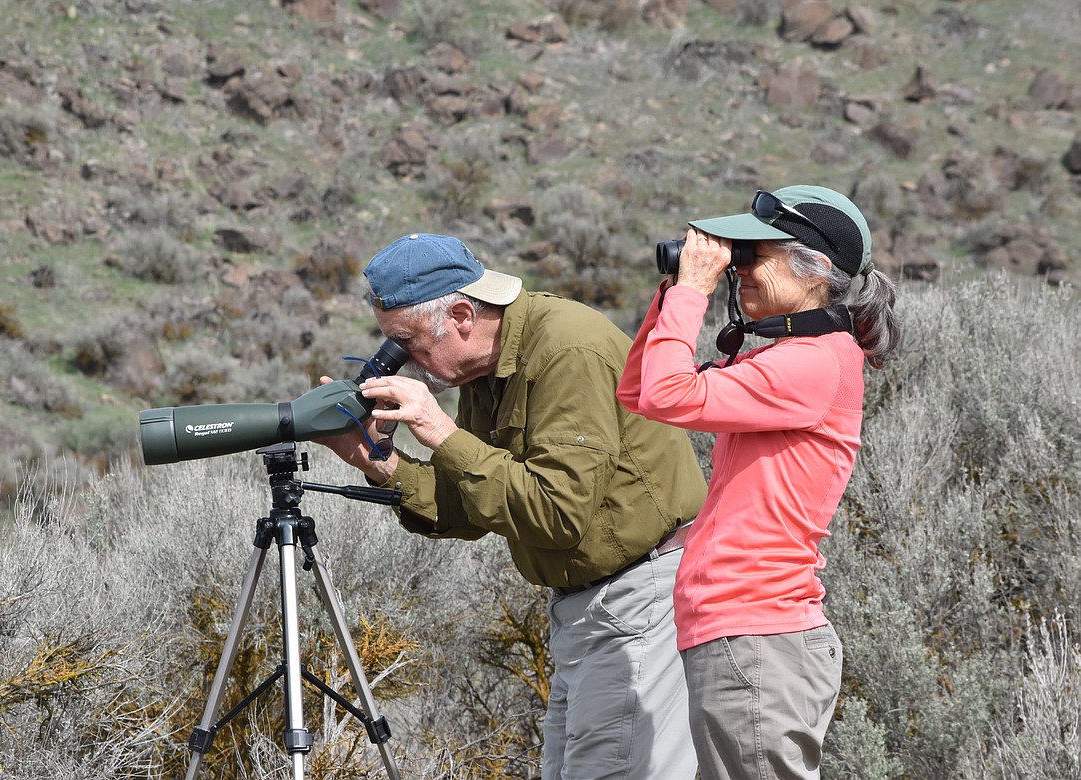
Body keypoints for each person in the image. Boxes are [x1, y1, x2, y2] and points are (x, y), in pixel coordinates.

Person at [316, 232, 708, 779]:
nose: (410, 363)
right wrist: (376, 461)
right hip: (586, 610)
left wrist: (437, 428)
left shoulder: (566, 350)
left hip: (643, 600)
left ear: (460, 315)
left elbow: (557, 513)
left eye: (410, 343)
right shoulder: (481, 367)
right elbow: (469, 508)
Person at [617, 185, 901, 779]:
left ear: (817, 269)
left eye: (754, 254)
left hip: (758, 633)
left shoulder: (814, 361)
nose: (737, 267)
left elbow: (669, 394)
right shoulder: (789, 355)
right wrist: (675, 292)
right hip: (744, 634)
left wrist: (695, 290)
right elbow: (639, 391)